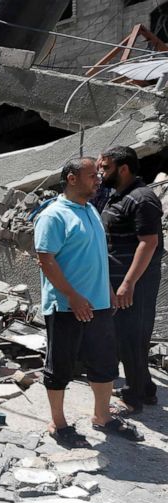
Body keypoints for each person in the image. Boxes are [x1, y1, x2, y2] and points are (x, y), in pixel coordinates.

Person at [34, 157, 141, 447]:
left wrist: (106, 290)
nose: (98, 179)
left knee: (105, 363)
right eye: (92, 175)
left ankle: (102, 416)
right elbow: (46, 260)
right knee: (61, 366)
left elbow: (97, 257)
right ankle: (57, 423)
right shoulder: (54, 215)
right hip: (67, 306)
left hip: (98, 305)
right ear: (71, 179)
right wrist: (72, 295)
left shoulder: (91, 210)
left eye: (97, 174)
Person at [98, 146, 164, 414]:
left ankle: (133, 398)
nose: (101, 172)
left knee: (132, 338)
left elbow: (148, 243)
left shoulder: (142, 198)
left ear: (123, 169)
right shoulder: (119, 195)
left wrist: (128, 283)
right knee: (125, 336)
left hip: (135, 282)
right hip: (121, 280)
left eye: (106, 167)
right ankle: (146, 389)